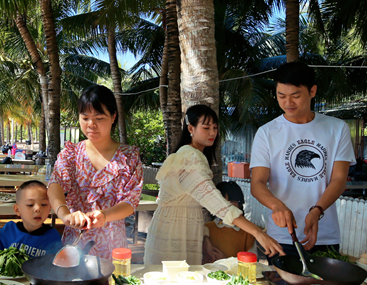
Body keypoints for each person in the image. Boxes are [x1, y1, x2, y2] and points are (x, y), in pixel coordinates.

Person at [144, 105, 282, 265]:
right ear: (191, 128)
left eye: (215, 128)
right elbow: (216, 203)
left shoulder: (190, 154)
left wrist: (204, 238)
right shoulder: (190, 157)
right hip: (173, 235)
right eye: (206, 127)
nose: (212, 133)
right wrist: (258, 233)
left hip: (177, 230)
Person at [250, 62, 356, 256]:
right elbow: (257, 183)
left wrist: (317, 211)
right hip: (281, 237)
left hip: (325, 235)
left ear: (312, 91)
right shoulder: (267, 133)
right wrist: (277, 206)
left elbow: (339, 180)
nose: (288, 102)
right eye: (281, 96)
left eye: (296, 96)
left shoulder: (337, 128)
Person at [48, 85, 142, 259]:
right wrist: (65, 215)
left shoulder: (129, 157)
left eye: (99, 118)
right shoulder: (71, 153)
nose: (91, 124)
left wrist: (105, 216)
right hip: (75, 242)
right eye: (85, 118)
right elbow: (55, 184)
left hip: (112, 244)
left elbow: (131, 202)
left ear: (113, 117)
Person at [0, 180, 62, 257]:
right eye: (30, 205)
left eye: (44, 204)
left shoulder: (53, 237)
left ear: (50, 208)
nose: (38, 208)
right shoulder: (9, 231)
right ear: (17, 210)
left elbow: (58, 267)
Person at [202, 181, 257, 262]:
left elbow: (252, 263)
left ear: (240, 205)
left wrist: (227, 261)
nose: (227, 208)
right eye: (223, 203)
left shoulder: (248, 232)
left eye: (232, 202)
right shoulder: (206, 229)